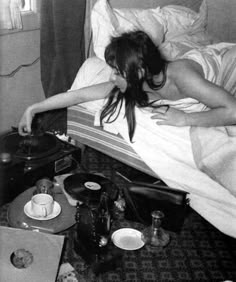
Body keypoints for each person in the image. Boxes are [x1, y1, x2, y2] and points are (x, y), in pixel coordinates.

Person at [18, 30, 236, 141]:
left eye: (116, 72)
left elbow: (232, 111)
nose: (111, 77)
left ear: (138, 72)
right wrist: (33, 108)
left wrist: (186, 119)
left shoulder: (182, 78)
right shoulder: (135, 82)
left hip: (229, 64)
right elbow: (78, 96)